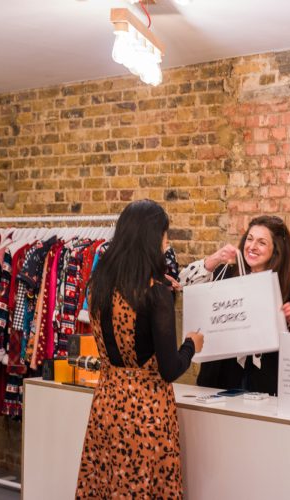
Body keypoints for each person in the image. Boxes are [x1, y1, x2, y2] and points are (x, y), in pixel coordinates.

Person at [76, 199, 204, 499]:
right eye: (164, 234)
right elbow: (169, 369)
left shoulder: (99, 285)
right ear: (151, 238)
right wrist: (191, 345)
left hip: (106, 404)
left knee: (106, 485)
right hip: (145, 413)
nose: (167, 241)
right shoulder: (154, 292)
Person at [178, 215, 290, 394]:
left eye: (261, 242)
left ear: (276, 250)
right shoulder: (224, 275)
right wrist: (216, 258)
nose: (252, 246)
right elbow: (182, 285)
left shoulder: (289, 291)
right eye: (249, 239)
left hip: (264, 386)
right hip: (217, 382)